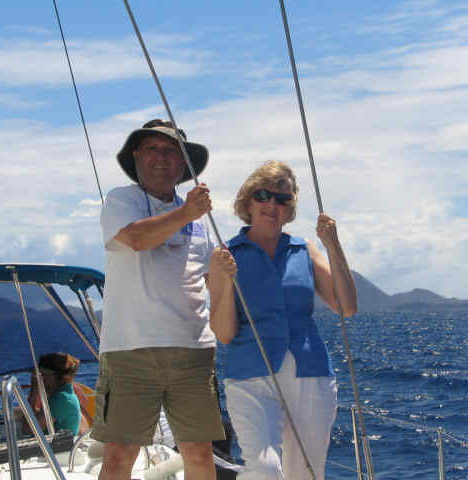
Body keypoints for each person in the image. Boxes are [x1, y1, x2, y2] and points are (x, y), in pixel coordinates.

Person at [91, 119, 225, 480]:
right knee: (119, 457)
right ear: (137, 157)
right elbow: (135, 239)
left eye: (170, 151)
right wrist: (186, 213)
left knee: (200, 455)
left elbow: (213, 282)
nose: (161, 157)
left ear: (183, 163)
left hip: (194, 350)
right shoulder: (122, 200)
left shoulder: (201, 220)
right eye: (152, 149)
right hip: (130, 350)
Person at [208, 160, 358, 479]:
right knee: (265, 469)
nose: (272, 205)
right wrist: (225, 281)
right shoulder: (225, 256)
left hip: (311, 374)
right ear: (248, 201)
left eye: (282, 199)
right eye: (263, 195)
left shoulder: (305, 251)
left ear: (290, 209)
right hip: (250, 378)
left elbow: (346, 307)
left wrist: (333, 245)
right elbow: (224, 333)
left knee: (306, 473)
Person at [26, 352, 82, 436]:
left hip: (58, 444)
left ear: (57, 376)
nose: (40, 379)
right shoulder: (65, 395)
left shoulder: (61, 399)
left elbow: (28, 429)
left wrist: (33, 390)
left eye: (43, 374)